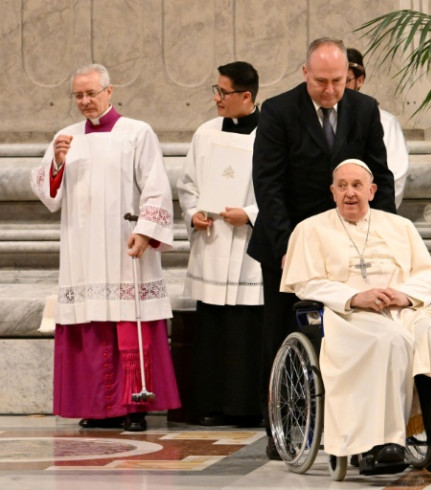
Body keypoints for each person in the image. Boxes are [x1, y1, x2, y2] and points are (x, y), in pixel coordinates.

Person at [248, 37, 397, 458]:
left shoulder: (364, 109)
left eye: (338, 81)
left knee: (351, 335)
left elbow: (378, 180)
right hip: (290, 243)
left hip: (349, 245)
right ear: (304, 74)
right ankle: (283, 428)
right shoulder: (277, 112)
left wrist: (383, 238)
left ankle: (352, 426)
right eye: (321, 82)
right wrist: (288, 248)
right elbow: (269, 186)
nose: (331, 90)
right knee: (283, 334)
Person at [281, 159, 431, 464]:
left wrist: (404, 295)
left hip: (403, 312)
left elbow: (428, 276)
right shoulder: (310, 229)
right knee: (389, 341)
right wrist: (354, 297)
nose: (349, 193)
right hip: (349, 318)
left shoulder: (400, 226)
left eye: (356, 186)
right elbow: (305, 283)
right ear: (332, 191)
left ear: (372, 190)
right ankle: (383, 442)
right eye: (342, 186)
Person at [30, 63, 180, 432]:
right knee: (91, 324)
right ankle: (96, 406)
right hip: (83, 251)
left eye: (91, 93)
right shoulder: (65, 137)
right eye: (78, 95)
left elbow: (157, 186)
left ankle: (133, 407)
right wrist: (58, 164)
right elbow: (48, 195)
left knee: (130, 324)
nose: (85, 101)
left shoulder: (137, 133)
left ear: (109, 92)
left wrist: (146, 232)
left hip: (125, 247)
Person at [177, 61, 263, 427]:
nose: (217, 98)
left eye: (223, 92)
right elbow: (187, 185)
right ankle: (211, 404)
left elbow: (281, 190)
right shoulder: (206, 133)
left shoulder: (271, 135)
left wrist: (250, 214)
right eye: (215, 90)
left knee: (247, 329)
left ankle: (248, 407)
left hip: (248, 249)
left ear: (246, 96)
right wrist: (194, 212)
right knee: (213, 329)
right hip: (213, 243)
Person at [346, 48, 410, 208]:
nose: (336, 88)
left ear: (359, 81)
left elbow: (396, 176)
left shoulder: (385, 123)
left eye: (344, 81)